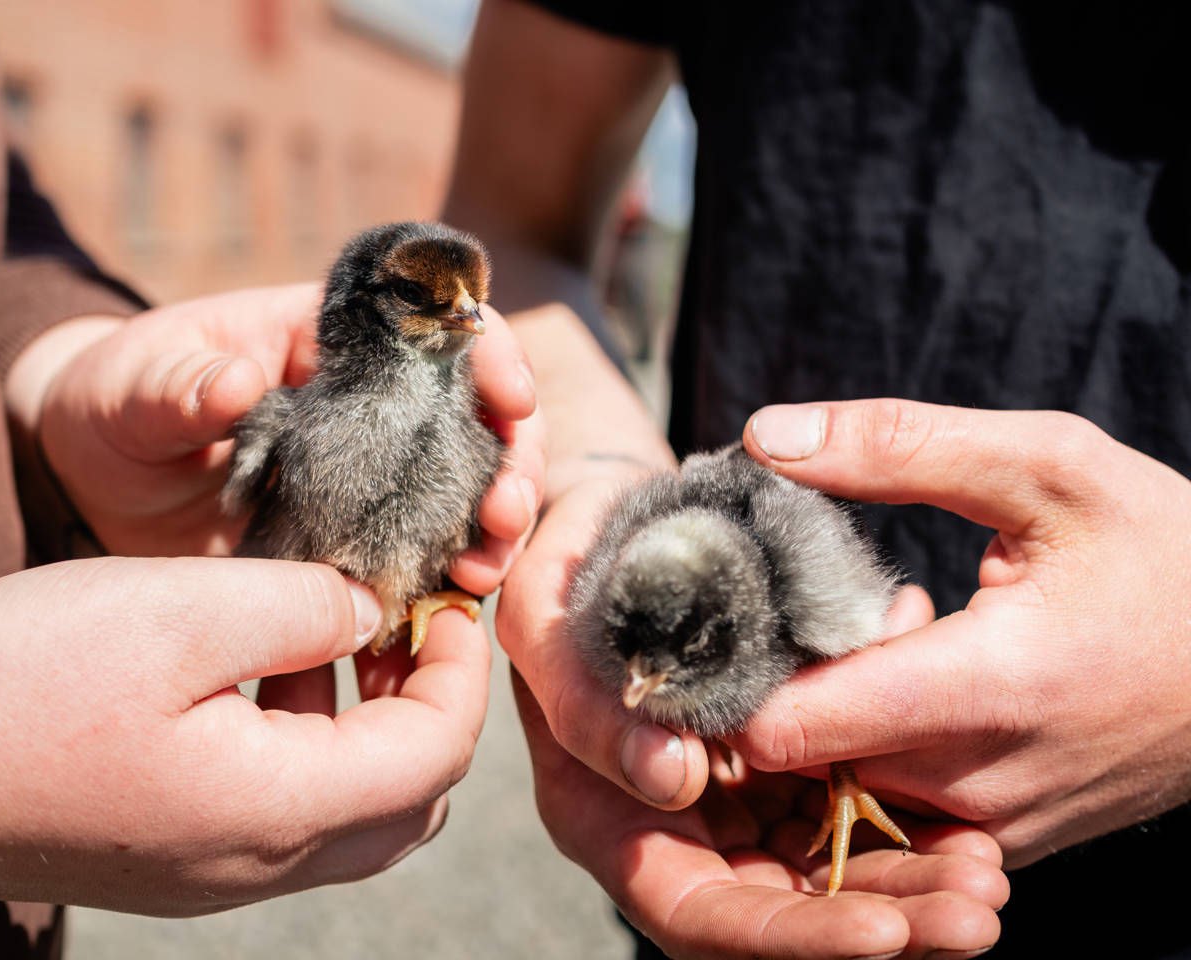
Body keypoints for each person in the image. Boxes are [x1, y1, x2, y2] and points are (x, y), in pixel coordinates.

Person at [444, 1, 1191, 957]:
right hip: (739, 829)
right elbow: (512, 227)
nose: (635, 686)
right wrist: (590, 470)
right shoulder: (649, 614)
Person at [0, 4, 543, 958]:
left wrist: (54, 363)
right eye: (432, 299)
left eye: (473, 303)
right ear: (370, 310)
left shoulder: (459, 419)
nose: (469, 319)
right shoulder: (297, 424)